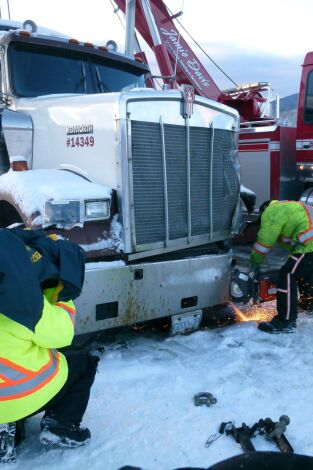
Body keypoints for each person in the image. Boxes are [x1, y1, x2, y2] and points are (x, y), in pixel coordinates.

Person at [0, 227, 98, 462]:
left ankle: (6, 427)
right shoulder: (24, 306)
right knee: (81, 361)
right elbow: (63, 335)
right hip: (14, 397)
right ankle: (60, 426)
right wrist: (58, 293)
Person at [250, 200, 313, 333]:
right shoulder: (288, 207)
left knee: (288, 274)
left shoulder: (270, 211)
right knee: (306, 273)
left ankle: (285, 321)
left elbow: (264, 241)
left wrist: (254, 263)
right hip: (309, 242)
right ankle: (309, 305)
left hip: (310, 243)